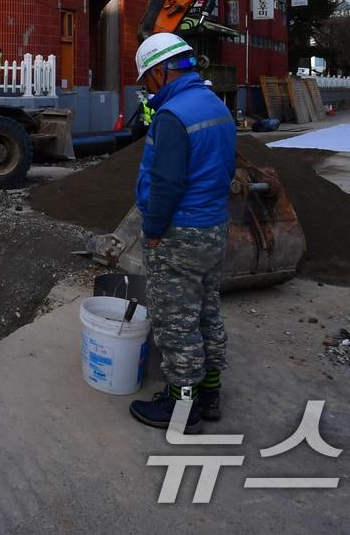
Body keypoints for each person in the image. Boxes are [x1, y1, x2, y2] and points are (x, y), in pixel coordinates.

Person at [127, 32, 236, 434]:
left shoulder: (173, 116)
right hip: (212, 227)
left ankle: (181, 407)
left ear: (160, 71)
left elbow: (167, 182)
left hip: (179, 232)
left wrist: (154, 230)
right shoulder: (213, 105)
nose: (146, 87)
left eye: (147, 79)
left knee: (176, 320)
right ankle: (209, 392)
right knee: (206, 310)